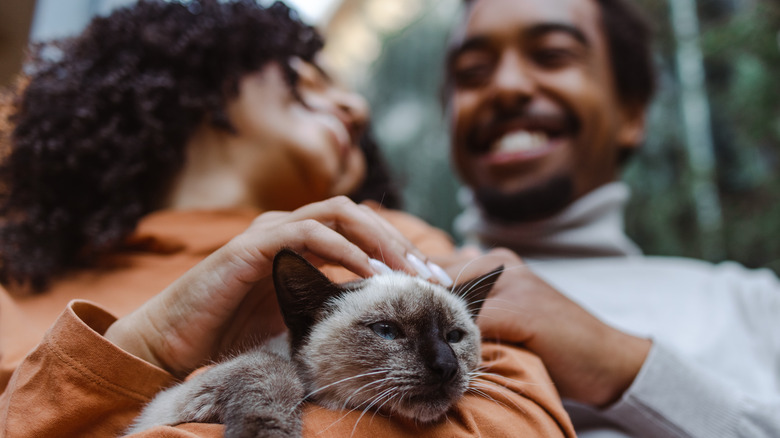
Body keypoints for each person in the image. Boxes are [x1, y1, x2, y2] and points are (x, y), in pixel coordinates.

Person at [0, 1, 575, 436]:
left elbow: (519, 421)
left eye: (353, 99)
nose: (356, 107)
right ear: (194, 84)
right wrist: (151, 343)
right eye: (309, 78)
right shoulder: (14, 289)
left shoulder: (390, 245)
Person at [438, 0, 780, 436]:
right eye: (471, 73)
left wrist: (620, 365)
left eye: (552, 55)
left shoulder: (755, 307)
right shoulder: (394, 300)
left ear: (632, 112)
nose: (506, 86)